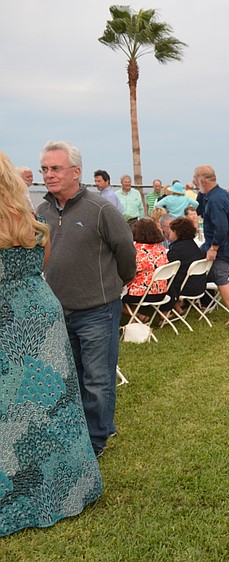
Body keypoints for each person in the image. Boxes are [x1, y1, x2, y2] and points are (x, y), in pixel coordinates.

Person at [0, 150, 103, 536]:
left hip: (8, 320)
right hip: (42, 313)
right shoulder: (33, 222)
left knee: (11, 409)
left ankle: (19, 498)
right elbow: (39, 267)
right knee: (54, 403)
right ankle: (68, 487)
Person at [37, 141, 137, 457]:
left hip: (98, 309)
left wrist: (116, 284)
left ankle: (95, 441)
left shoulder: (101, 209)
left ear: (76, 172)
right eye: (44, 169)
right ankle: (91, 428)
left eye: (56, 168)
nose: (49, 174)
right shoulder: (42, 211)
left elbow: (126, 251)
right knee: (73, 377)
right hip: (59, 309)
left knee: (98, 378)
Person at [194, 165, 229, 326]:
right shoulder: (221, 194)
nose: (194, 183)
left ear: (202, 180)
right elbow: (201, 210)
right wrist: (200, 193)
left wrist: (214, 248)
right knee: (218, 276)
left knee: (221, 279)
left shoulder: (215, 200)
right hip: (225, 244)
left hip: (221, 247)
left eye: (195, 180)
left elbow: (221, 227)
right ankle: (206, 302)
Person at [122, 218, 170, 320]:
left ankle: (136, 317)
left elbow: (127, 271)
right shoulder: (161, 249)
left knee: (113, 297)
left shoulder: (135, 250)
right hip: (161, 292)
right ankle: (135, 317)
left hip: (141, 294)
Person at [165, 217, 206, 313]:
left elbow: (167, 267)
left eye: (171, 230)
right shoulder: (193, 246)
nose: (169, 232)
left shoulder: (176, 250)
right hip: (199, 284)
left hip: (185, 287)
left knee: (164, 278)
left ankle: (171, 309)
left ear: (177, 232)